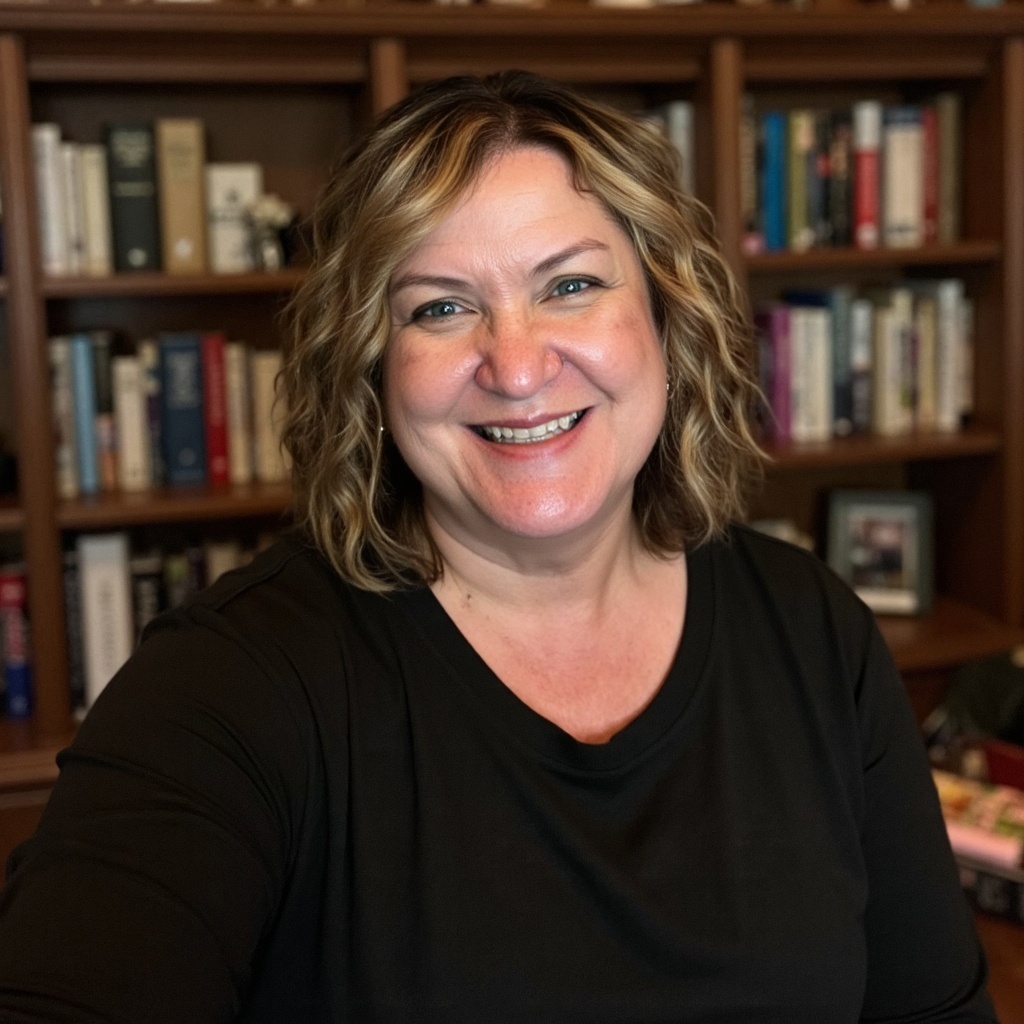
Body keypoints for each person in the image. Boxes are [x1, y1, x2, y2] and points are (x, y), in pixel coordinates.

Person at [0, 72, 995, 1023]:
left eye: (568, 285)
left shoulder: (814, 629)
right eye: (439, 306)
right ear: (371, 369)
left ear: (664, 317)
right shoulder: (228, 684)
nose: (516, 367)